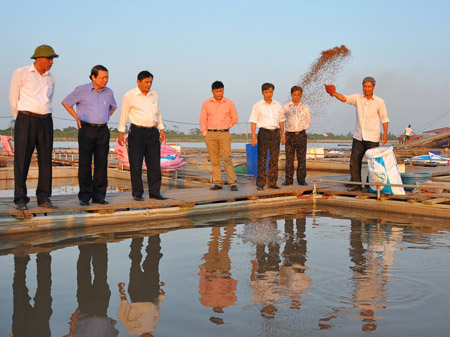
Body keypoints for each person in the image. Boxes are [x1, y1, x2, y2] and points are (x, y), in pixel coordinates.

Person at [9, 44, 59, 210]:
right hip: (26, 119)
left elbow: (48, 100)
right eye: (48, 58)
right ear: (38, 58)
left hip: (46, 121)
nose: (51, 62)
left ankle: (44, 197)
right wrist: (22, 119)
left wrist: (42, 116)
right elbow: (13, 99)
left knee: (46, 160)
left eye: (52, 59)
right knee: (22, 159)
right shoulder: (21, 73)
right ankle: (20, 199)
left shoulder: (51, 78)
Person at [62, 65, 117, 206]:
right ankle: (85, 196)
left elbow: (113, 108)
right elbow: (66, 103)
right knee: (85, 163)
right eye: (103, 77)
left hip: (103, 131)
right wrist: (77, 118)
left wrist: (103, 117)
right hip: (87, 130)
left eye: (107, 77)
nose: (106, 80)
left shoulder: (109, 92)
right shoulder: (82, 90)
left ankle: (99, 196)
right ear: (93, 77)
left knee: (101, 163)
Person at [329, 77, 389, 191]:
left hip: (373, 136)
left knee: (373, 162)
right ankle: (356, 184)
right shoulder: (357, 98)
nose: (366, 89)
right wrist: (334, 93)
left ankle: (368, 186)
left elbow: (384, 118)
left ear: (373, 87)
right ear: (362, 87)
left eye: (369, 86)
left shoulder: (379, 101)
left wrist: (385, 133)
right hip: (358, 135)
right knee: (355, 161)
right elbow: (344, 98)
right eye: (364, 86)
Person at [118, 71, 167, 201]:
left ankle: (155, 192)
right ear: (138, 82)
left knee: (154, 164)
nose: (148, 85)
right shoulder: (129, 95)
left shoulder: (154, 95)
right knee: (136, 164)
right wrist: (121, 132)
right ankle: (137, 193)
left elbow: (158, 112)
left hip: (152, 132)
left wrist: (161, 128)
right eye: (146, 82)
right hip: (137, 132)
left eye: (150, 82)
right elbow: (124, 113)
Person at [200, 81, 239, 191]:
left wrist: (227, 126)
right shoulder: (206, 103)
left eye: (221, 91)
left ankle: (232, 183)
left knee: (227, 158)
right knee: (214, 160)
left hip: (224, 134)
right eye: (216, 91)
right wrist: (204, 132)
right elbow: (203, 119)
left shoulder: (229, 103)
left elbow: (235, 118)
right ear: (212, 91)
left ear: (223, 90)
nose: (219, 93)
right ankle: (218, 182)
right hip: (210, 134)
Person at [249, 83, 285, 190]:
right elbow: (253, 121)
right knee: (262, 158)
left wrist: (283, 135)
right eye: (266, 92)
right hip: (263, 133)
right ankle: (260, 183)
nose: (269, 94)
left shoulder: (277, 105)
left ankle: (272, 183)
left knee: (274, 158)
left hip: (275, 132)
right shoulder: (257, 105)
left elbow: (282, 121)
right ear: (262, 92)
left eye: (270, 91)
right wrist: (253, 136)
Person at [281, 86, 310, 186]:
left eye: (298, 95)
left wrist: (302, 129)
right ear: (291, 95)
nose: (296, 97)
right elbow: (281, 120)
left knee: (302, 158)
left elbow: (307, 120)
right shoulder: (286, 107)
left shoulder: (305, 107)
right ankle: (288, 180)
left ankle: (301, 180)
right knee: (289, 159)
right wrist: (283, 135)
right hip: (289, 135)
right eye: (294, 94)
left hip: (301, 134)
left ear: (301, 95)